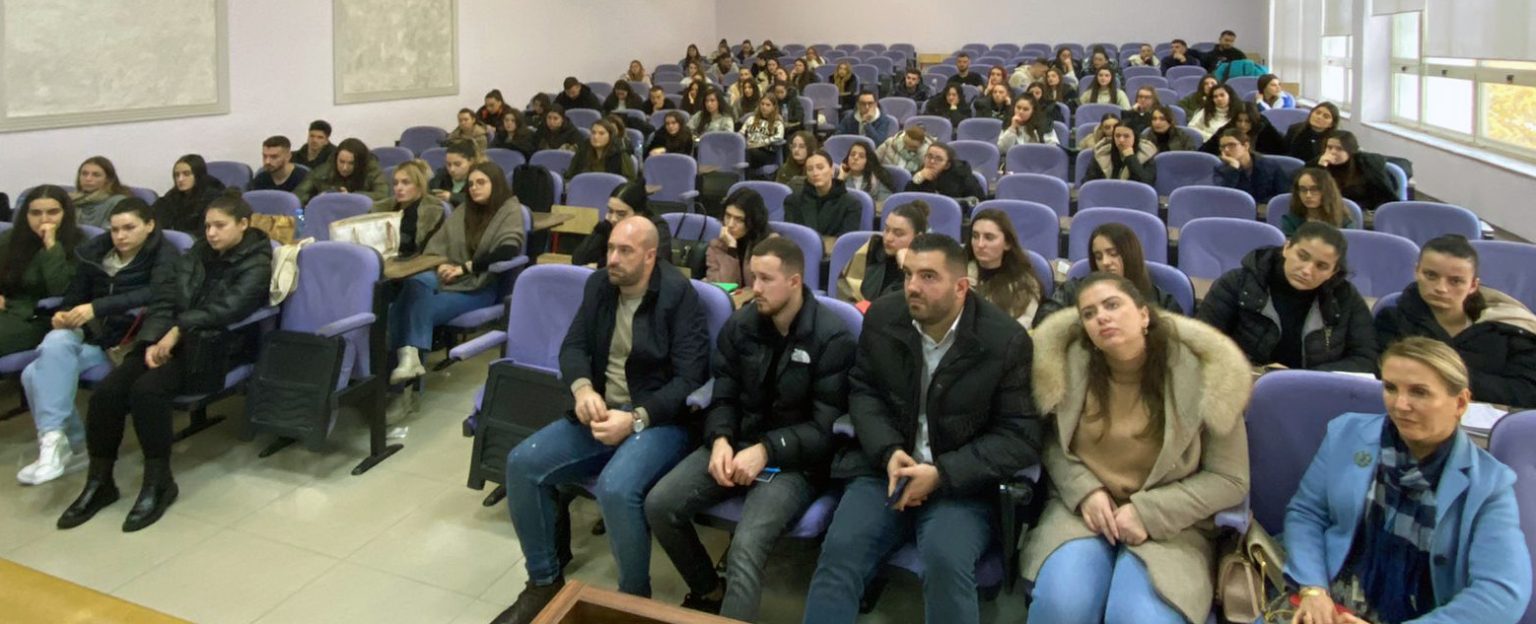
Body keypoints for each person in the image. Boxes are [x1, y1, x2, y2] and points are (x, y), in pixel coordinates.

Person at [801, 233, 1041, 624]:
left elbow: (1019, 437)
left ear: (961, 287)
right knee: (840, 552)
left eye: (928, 276)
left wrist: (941, 474)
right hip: (888, 469)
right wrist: (888, 451)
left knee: (945, 561)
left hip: (960, 483)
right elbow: (864, 391)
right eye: (909, 274)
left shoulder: (1004, 341)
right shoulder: (884, 316)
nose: (913, 286)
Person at [490, 216, 708, 624]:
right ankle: (543, 582)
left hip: (660, 421)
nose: (612, 259)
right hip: (602, 412)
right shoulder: (599, 286)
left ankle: (632, 603)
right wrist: (583, 390)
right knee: (522, 464)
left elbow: (690, 379)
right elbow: (573, 347)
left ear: (650, 256)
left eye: (625, 251)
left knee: (616, 487)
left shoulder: (678, 295)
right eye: (610, 249)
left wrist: (636, 418)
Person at [1024, 272, 1251, 624]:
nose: (1102, 317)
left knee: (1137, 617)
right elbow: (1051, 442)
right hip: (1083, 511)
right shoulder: (1067, 364)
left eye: (1112, 305)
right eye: (1089, 314)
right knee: (1062, 606)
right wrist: (1083, 490)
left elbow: (1230, 479)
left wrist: (1149, 512)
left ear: (1144, 314)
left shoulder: (1207, 373)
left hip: (1174, 524)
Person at [647, 237, 856, 619]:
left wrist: (766, 450)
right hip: (737, 441)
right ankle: (708, 590)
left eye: (766, 279)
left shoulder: (831, 337)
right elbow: (723, 394)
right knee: (660, 505)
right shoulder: (741, 325)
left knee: (745, 545)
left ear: (794, 281)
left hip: (794, 464)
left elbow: (826, 429)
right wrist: (720, 439)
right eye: (753, 276)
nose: (755, 287)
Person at [58, 191, 272, 533]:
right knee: (107, 393)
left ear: (243, 224)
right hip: (165, 340)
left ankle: (159, 482)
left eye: (220, 226)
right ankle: (100, 481)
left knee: (147, 391)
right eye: (207, 226)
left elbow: (228, 309)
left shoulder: (257, 261)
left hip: (216, 347)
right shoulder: (196, 253)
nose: (211, 233)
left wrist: (175, 332)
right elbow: (164, 299)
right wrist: (150, 341)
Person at [1282, 337, 1532, 624]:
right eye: (1390, 388)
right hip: (1328, 603)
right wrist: (1313, 589)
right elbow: (1306, 513)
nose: (1400, 405)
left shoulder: (1489, 484)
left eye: (1419, 392)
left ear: (1461, 402)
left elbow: (1502, 593)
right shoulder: (1347, 433)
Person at [17, 198, 176, 485]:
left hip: (128, 342)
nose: (120, 236)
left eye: (129, 228)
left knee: (33, 373)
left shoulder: (165, 254)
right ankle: (56, 440)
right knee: (55, 341)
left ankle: (71, 445)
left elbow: (156, 293)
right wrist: (63, 313)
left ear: (150, 225)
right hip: (95, 337)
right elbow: (75, 295)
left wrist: (96, 307)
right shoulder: (95, 253)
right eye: (114, 229)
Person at [389, 162, 524, 384]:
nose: (474, 188)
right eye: (471, 184)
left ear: (496, 183)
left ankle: (400, 379)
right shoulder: (463, 210)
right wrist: (441, 265)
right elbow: (438, 244)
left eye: (481, 182)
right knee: (416, 282)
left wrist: (464, 268)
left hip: (478, 287)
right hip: (446, 277)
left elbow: (508, 249)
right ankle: (408, 360)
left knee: (412, 308)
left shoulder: (509, 210)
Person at [1375, 236, 1536, 408]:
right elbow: (1385, 377)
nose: (1441, 288)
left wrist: (1435, 376)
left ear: (1473, 285)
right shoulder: (1392, 320)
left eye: (1456, 281)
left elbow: (1527, 391)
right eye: (1430, 275)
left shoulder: (1510, 327)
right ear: (1417, 272)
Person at [1197, 222, 1379, 372]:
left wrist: (1298, 378)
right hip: (1242, 382)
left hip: (1314, 391)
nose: (1307, 270)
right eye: (1302, 256)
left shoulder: (1345, 298)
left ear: (1333, 271)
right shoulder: (1238, 283)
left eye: (1321, 266)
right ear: (1286, 248)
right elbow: (1202, 341)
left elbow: (1366, 360)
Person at [0, 186, 83, 357]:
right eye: (35, 213)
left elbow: (60, 288)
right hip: (7, 308)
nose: (44, 219)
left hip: (40, 317)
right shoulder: (11, 238)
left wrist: (51, 245)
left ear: (65, 213)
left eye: (52, 212)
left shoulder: (81, 243)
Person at [1053, 223, 1183, 314]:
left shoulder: (1163, 303)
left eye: (1113, 254)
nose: (1105, 262)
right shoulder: (1073, 290)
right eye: (1098, 257)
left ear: (1130, 254)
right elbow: (1047, 318)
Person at [968, 208, 1051, 327]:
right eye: (975, 236)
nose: (980, 244)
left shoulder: (1025, 285)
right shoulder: (957, 274)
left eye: (989, 237)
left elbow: (1021, 329)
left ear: (1007, 243)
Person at [835, 201, 926, 304]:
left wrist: (904, 269)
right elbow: (844, 292)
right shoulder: (872, 249)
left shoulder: (927, 267)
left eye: (898, 233)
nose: (888, 238)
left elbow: (910, 305)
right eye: (886, 229)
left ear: (918, 237)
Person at [372, 160, 447, 259]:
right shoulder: (382, 208)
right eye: (395, 183)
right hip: (384, 258)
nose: (399, 188)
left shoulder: (432, 212)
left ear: (419, 185)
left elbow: (430, 251)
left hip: (416, 261)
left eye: (406, 183)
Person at [1311, 130, 1399, 213]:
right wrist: (1321, 168)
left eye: (1339, 149)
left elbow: (1384, 196)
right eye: (1329, 147)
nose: (1332, 152)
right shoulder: (1319, 164)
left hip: (1361, 210)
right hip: (1326, 210)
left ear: (1350, 151)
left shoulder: (1366, 166)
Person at [704, 188, 773, 288]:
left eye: (739, 219)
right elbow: (724, 287)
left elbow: (760, 287)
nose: (730, 224)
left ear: (753, 221)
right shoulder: (717, 246)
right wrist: (731, 249)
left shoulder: (769, 246)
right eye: (728, 216)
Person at [784, 151, 860, 239]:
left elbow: (845, 242)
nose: (815, 173)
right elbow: (790, 237)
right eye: (810, 169)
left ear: (832, 170)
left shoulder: (851, 204)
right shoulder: (793, 201)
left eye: (820, 168)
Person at [151, 154, 227, 238]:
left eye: (186, 174)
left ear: (198, 175)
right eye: (177, 175)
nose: (180, 179)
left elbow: (204, 232)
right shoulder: (172, 196)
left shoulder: (213, 197)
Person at [293, 137, 388, 203]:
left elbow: (383, 196)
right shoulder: (326, 169)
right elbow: (299, 195)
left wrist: (351, 196)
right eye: (341, 162)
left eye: (351, 163)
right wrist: (318, 199)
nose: (344, 167)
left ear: (360, 163)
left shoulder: (373, 170)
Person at [1214, 128, 1289, 204]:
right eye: (1223, 146)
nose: (1226, 149)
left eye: (1231, 145)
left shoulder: (1270, 165)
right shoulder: (1221, 169)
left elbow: (1283, 195)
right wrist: (1233, 168)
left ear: (1246, 146)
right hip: (1236, 207)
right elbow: (1223, 197)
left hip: (1265, 207)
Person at [1281, 167, 1355, 235]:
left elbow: (1351, 243)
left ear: (1327, 191)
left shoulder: (1344, 220)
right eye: (1303, 189)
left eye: (1314, 189)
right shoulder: (1291, 220)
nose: (1308, 195)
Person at [1199, 101, 1287, 156]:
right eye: (1239, 121)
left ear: (1254, 121)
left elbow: (1283, 153)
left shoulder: (1266, 131)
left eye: (1247, 121)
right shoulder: (1225, 131)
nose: (1242, 125)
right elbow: (1204, 151)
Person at [905, 142, 985, 203]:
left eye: (938, 159)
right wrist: (917, 179)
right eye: (929, 156)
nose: (932, 161)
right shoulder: (920, 173)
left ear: (947, 165)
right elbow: (906, 201)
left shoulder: (962, 176)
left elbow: (979, 201)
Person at [70, 157, 133, 229]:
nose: (88, 179)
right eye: (84, 174)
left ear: (108, 179)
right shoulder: (72, 200)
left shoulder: (117, 202)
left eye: (96, 175)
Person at [1086, 125, 1159, 185]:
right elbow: (1088, 182)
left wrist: (1131, 158)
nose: (1121, 140)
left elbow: (1147, 183)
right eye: (1117, 136)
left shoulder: (1146, 154)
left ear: (1135, 138)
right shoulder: (1102, 153)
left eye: (1126, 136)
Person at [567, 119, 636, 181]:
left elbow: (630, 182)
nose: (596, 137)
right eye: (593, 133)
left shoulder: (621, 154)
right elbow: (570, 176)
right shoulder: (583, 151)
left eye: (601, 133)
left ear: (610, 136)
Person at [427, 139, 479, 207]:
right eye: (448, 164)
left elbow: (479, 199)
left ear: (471, 161)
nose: (452, 169)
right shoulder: (441, 176)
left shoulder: (481, 177)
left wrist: (452, 197)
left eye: (457, 164)